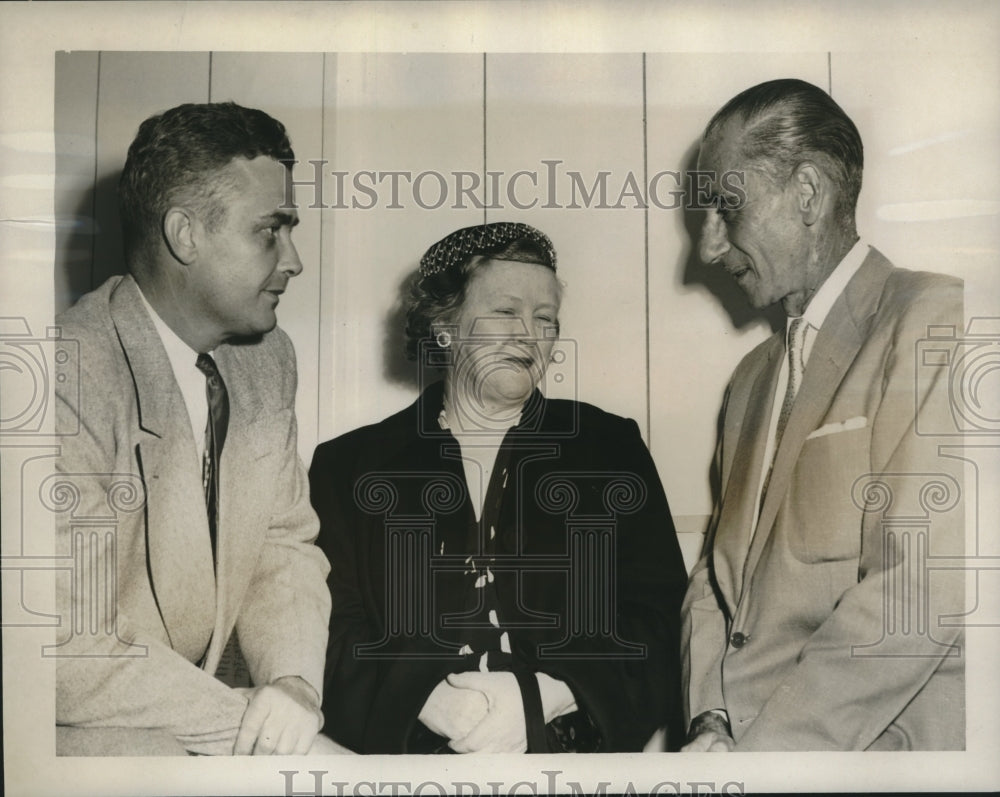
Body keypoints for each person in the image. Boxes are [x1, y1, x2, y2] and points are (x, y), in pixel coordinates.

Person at [309, 222, 688, 753]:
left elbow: (658, 618)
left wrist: (549, 695)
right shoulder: (347, 466)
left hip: (574, 756)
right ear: (445, 325)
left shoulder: (609, 448)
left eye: (546, 319)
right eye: (506, 312)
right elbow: (326, 627)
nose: (528, 335)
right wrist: (422, 698)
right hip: (405, 760)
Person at [681, 79, 965, 751]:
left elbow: (919, 591)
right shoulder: (750, 380)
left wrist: (760, 763)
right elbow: (713, 584)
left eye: (726, 206)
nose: (708, 248)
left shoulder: (938, 320)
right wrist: (710, 718)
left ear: (807, 193)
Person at [53, 102, 337, 756]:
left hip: (191, 718)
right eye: (272, 229)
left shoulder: (267, 360)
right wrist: (261, 734)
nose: (294, 260)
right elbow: (63, 643)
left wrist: (294, 685)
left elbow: (282, 542)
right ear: (185, 233)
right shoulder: (62, 374)